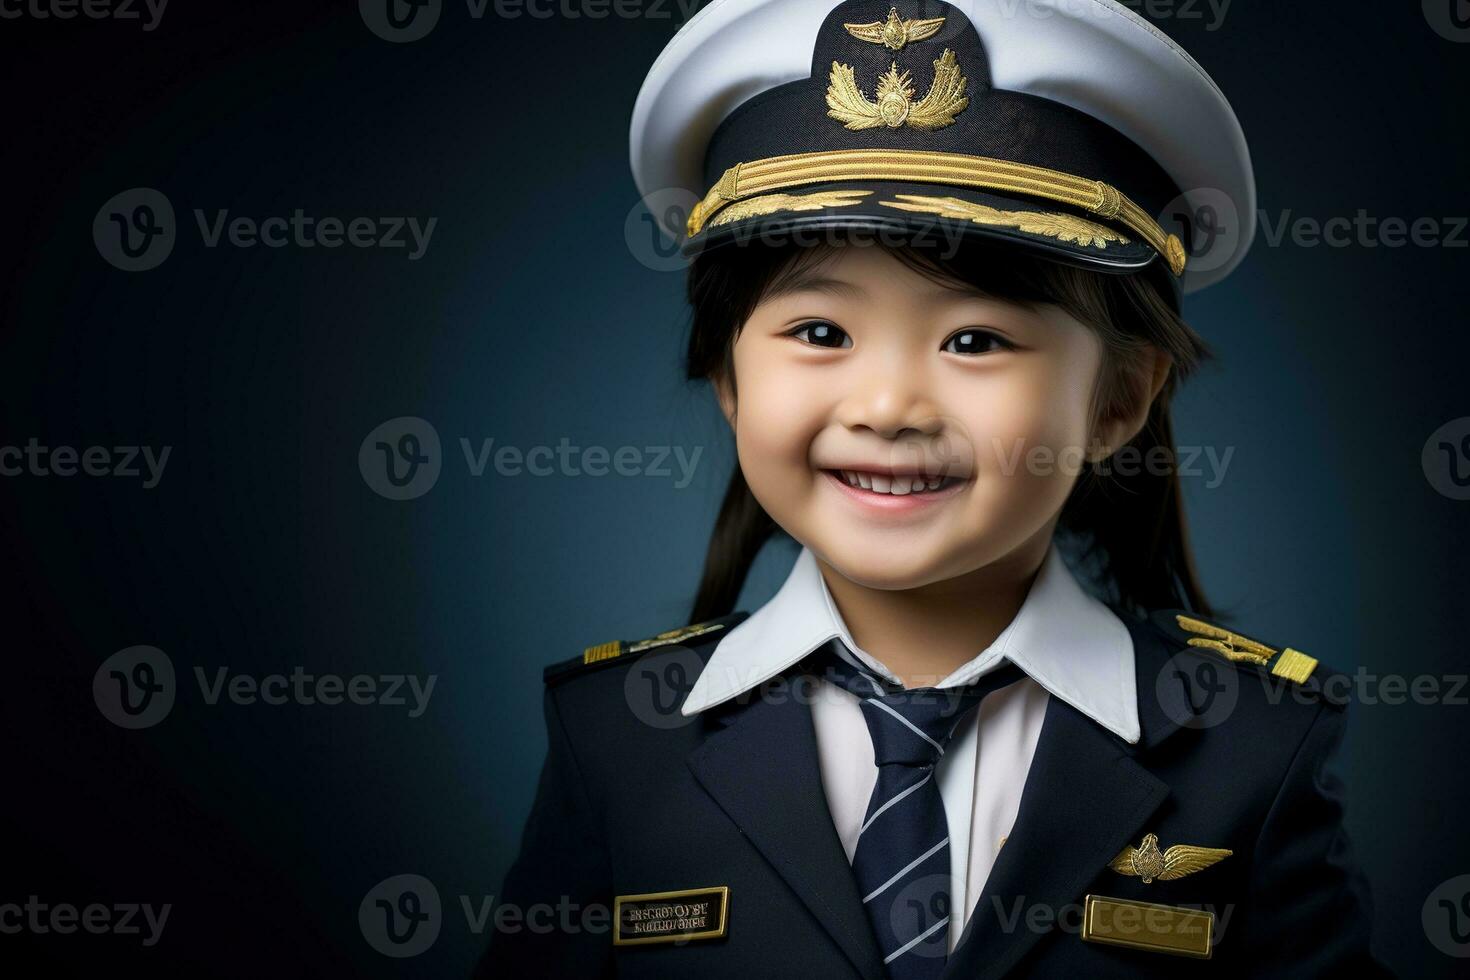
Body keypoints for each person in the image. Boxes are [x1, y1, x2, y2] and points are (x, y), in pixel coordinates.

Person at [477, 1, 1394, 976]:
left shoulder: (1250, 743)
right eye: (821, 331)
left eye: (977, 340)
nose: (887, 405)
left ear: (1119, 399)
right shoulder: (619, 735)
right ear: (730, 381)